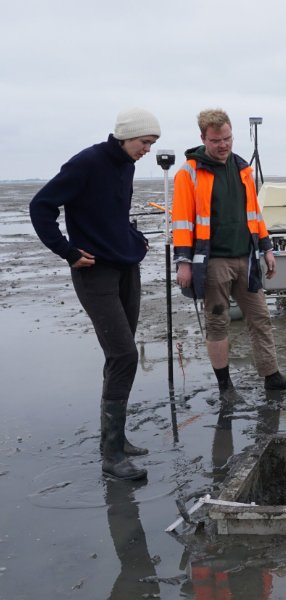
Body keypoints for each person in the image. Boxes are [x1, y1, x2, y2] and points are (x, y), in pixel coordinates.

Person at [29, 108, 161, 480]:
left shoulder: (127, 165)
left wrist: (135, 239)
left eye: (152, 144)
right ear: (126, 135)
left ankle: (114, 439)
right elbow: (41, 206)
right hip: (94, 271)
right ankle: (112, 457)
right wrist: (66, 251)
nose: (147, 150)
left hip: (125, 267)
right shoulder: (86, 163)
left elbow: (115, 214)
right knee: (124, 354)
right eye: (144, 142)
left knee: (119, 353)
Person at [173, 108, 286, 403]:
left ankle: (272, 377)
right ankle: (225, 387)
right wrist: (184, 264)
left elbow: (254, 213)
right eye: (217, 140)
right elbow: (181, 221)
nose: (224, 145)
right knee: (218, 323)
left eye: (228, 138)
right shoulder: (188, 172)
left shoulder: (243, 168)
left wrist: (267, 248)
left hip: (246, 258)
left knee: (261, 318)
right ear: (203, 138)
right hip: (212, 261)